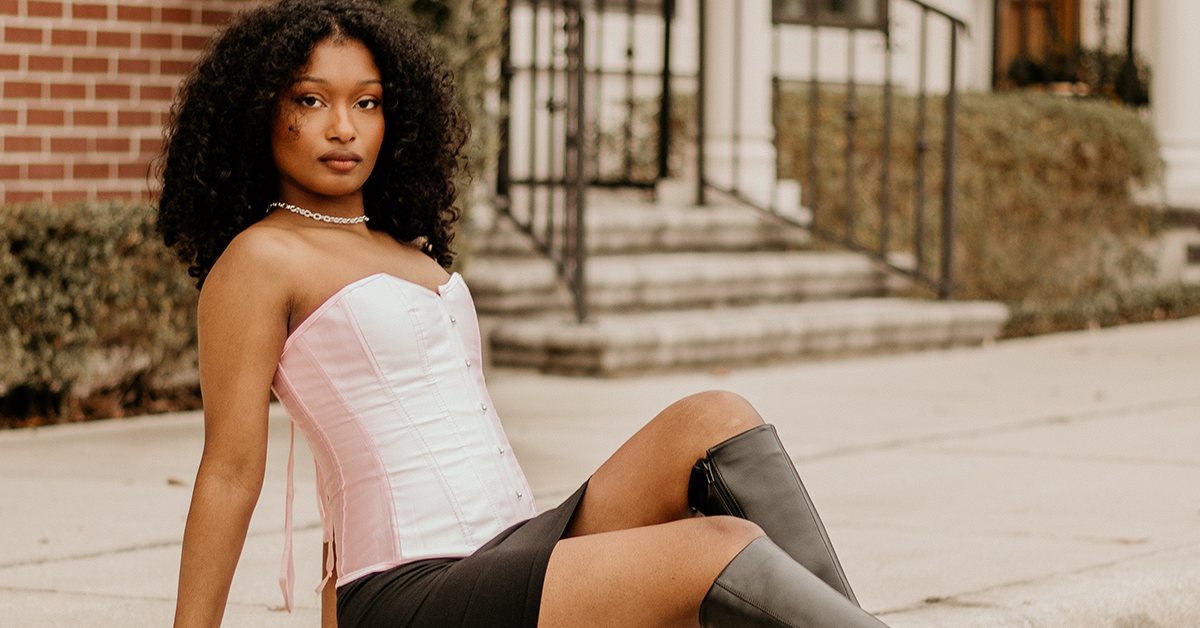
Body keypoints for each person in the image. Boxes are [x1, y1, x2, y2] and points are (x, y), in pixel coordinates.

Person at [158, 1, 891, 627]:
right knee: (716, 546)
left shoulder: (403, 247)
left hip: (508, 550)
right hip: (408, 588)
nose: (344, 127)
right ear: (263, 110)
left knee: (714, 415)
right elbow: (228, 472)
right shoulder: (261, 258)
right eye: (311, 100)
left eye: (368, 101)